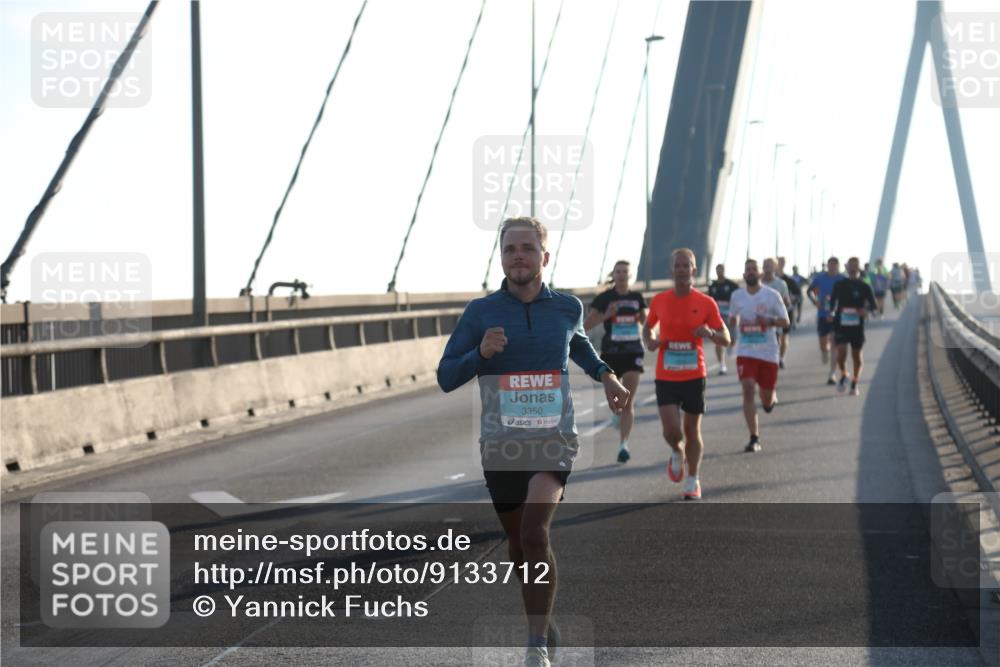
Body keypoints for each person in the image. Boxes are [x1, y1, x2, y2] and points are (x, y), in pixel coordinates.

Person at [437, 217, 630, 667]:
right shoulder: (480, 313)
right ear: (502, 258)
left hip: (553, 439)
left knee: (535, 533)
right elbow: (446, 376)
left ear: (545, 256)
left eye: (527, 248)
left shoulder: (566, 308)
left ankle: (536, 642)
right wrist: (478, 354)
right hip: (502, 446)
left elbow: (578, 345)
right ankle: (539, 613)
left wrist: (607, 375)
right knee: (519, 546)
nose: (518, 256)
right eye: (510, 250)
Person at [642, 248, 730, 500]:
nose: (682, 270)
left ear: (694, 270)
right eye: (677, 266)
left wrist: (710, 333)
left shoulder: (706, 303)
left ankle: (693, 479)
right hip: (666, 375)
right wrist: (650, 340)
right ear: (671, 270)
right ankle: (675, 450)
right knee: (672, 431)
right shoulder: (659, 300)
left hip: (694, 375)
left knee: (692, 431)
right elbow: (647, 329)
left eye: (686, 265)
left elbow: (726, 338)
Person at [584, 260, 647, 463]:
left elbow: (648, 323)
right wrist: (607, 315)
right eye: (618, 271)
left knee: (627, 401)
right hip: (611, 354)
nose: (621, 275)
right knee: (616, 404)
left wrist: (647, 324)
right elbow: (585, 326)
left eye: (624, 272)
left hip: (633, 353)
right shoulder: (605, 298)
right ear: (614, 274)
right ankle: (615, 413)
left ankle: (624, 445)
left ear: (630, 275)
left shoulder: (637, 297)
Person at [728, 259, 790, 452]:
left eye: (754, 269)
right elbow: (732, 318)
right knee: (747, 388)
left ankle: (769, 401)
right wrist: (733, 322)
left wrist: (769, 321)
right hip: (746, 349)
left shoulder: (772, 295)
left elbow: (785, 322)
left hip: (768, 351)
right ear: (744, 274)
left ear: (760, 274)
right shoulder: (737, 296)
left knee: (765, 396)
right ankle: (754, 437)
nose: (751, 272)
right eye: (748, 270)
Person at [828, 257, 878, 396]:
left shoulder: (864, 286)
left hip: (857, 325)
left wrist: (866, 310)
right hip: (841, 323)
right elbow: (832, 302)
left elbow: (874, 307)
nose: (853, 268)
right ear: (847, 267)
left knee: (856, 356)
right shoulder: (840, 284)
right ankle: (844, 373)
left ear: (859, 267)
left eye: (856, 265)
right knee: (841, 353)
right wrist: (831, 313)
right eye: (851, 265)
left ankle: (855, 382)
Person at [807, 257, 845, 385]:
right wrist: (815, 302)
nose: (833, 268)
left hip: (837, 315)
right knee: (823, 343)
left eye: (835, 266)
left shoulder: (842, 279)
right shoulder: (820, 278)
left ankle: (832, 374)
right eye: (831, 266)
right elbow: (809, 291)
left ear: (838, 267)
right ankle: (824, 351)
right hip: (823, 314)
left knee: (835, 343)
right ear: (827, 266)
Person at [707, 263, 740, 375]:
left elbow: (739, 299)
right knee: (718, 340)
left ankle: (731, 346)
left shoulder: (732, 285)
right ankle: (722, 365)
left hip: (730, 315)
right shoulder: (713, 286)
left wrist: (736, 313)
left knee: (733, 338)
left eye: (721, 270)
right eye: (717, 270)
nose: (719, 272)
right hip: (717, 317)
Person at [762, 258, 791, 369]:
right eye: (765, 265)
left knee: (776, 342)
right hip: (760, 320)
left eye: (769, 266)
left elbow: (786, 301)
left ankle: (776, 360)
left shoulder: (781, 284)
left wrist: (786, 302)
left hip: (775, 320)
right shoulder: (758, 283)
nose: (767, 268)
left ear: (775, 267)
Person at [777, 257, 802, 333]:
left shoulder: (790, 280)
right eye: (778, 262)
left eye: (782, 262)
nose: (780, 264)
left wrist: (791, 298)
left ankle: (797, 318)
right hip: (772, 313)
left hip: (786, 311)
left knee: (784, 338)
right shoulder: (767, 280)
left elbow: (798, 295)